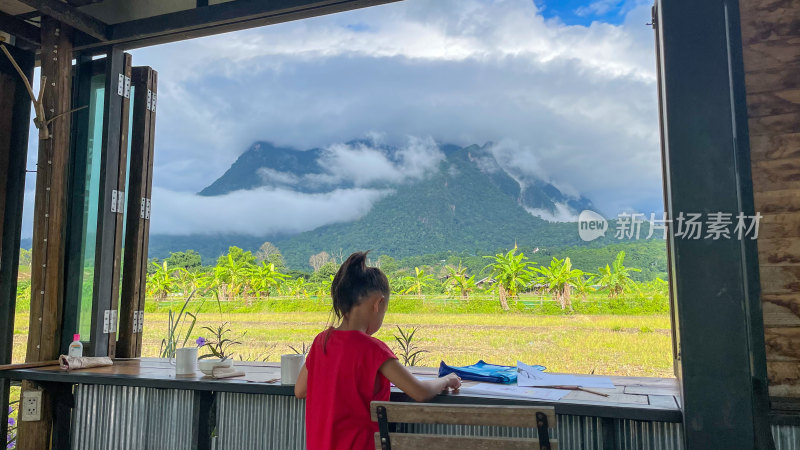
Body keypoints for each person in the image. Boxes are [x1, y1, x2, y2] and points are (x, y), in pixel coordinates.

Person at [294, 251, 461, 450]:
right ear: (378, 304)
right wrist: (446, 379)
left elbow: (300, 390)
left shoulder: (321, 341)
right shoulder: (373, 349)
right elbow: (420, 392)